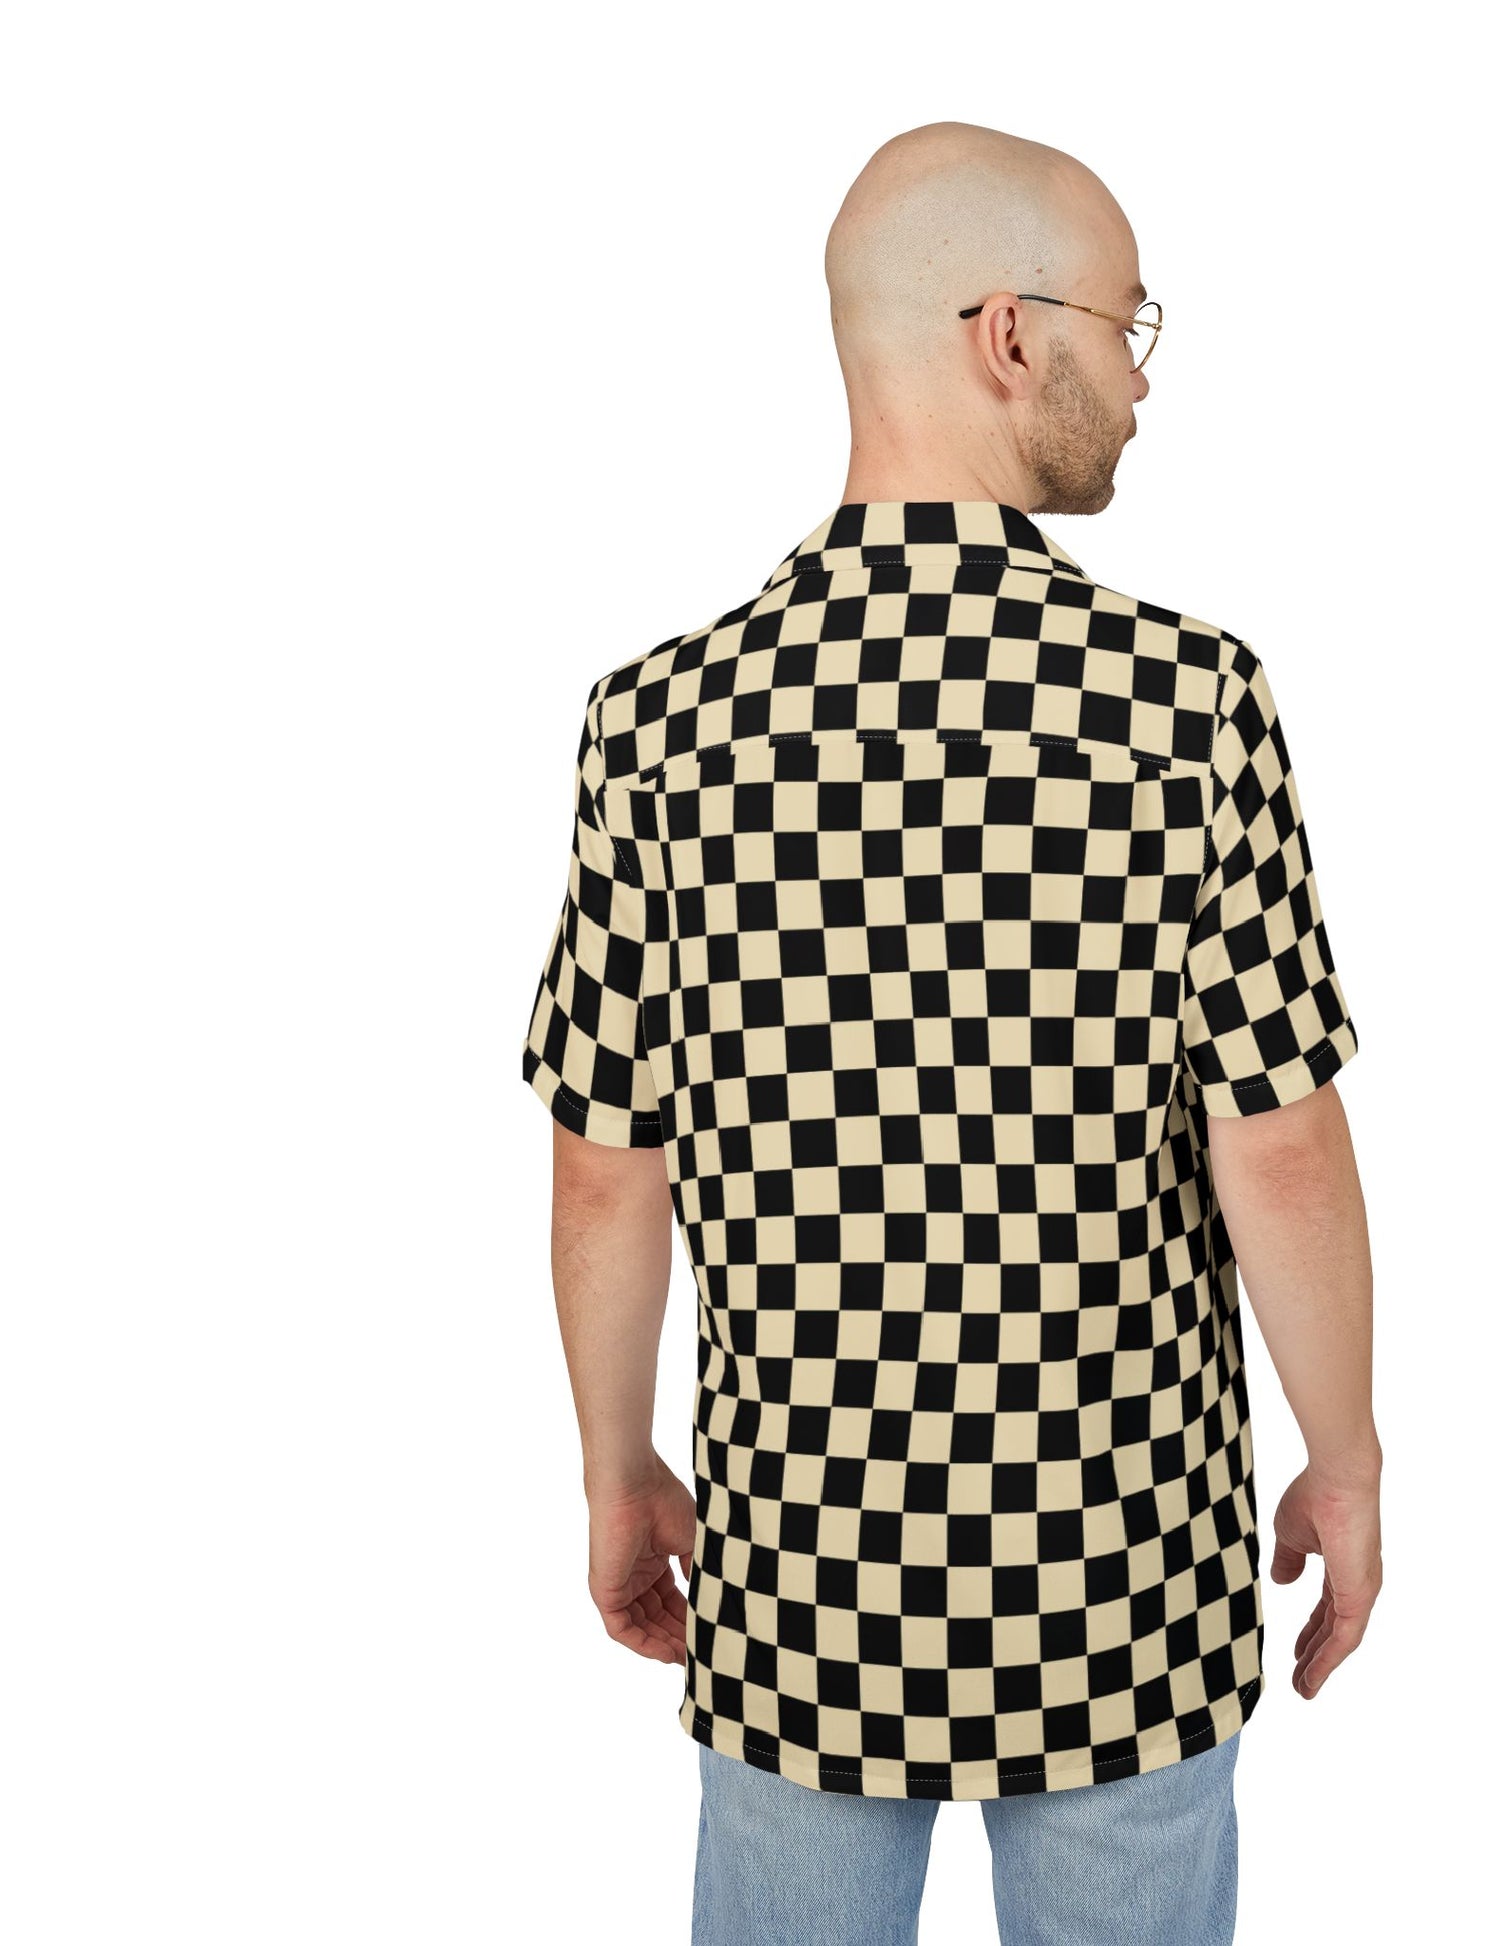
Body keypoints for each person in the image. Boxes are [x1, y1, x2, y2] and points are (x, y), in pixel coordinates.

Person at [521, 120, 1381, 1946]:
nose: (1140, 380)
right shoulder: (1187, 705)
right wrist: (1346, 1454)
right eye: (1127, 324)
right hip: (1123, 1580)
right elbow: (1278, 1141)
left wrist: (616, 1468)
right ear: (1007, 335)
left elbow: (607, 1163)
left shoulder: (656, 727)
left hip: (802, 1580)